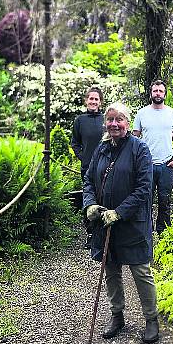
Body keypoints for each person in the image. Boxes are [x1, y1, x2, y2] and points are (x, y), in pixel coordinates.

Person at [82, 102, 159, 344]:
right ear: (106, 123)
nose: (114, 124)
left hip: (132, 223)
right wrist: (91, 204)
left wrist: (120, 212)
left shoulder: (140, 149)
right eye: (111, 119)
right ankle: (117, 316)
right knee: (111, 270)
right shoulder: (102, 148)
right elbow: (88, 179)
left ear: (128, 123)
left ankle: (151, 319)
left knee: (141, 271)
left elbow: (144, 189)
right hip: (105, 223)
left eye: (119, 120)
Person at [132, 79, 173, 235]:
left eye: (160, 91)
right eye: (155, 91)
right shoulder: (142, 113)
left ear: (165, 94)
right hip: (147, 165)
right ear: (151, 93)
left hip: (166, 165)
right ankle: (145, 230)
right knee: (145, 200)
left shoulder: (172, 113)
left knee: (164, 200)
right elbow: (134, 138)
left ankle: (163, 231)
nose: (158, 93)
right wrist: (135, 161)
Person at [71, 86, 105, 248]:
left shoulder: (106, 120)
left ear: (100, 102)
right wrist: (83, 157)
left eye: (96, 99)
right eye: (90, 98)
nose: (93, 101)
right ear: (86, 100)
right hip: (87, 168)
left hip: (106, 167)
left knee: (105, 197)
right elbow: (75, 143)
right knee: (89, 198)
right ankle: (91, 234)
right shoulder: (80, 120)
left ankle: (105, 234)